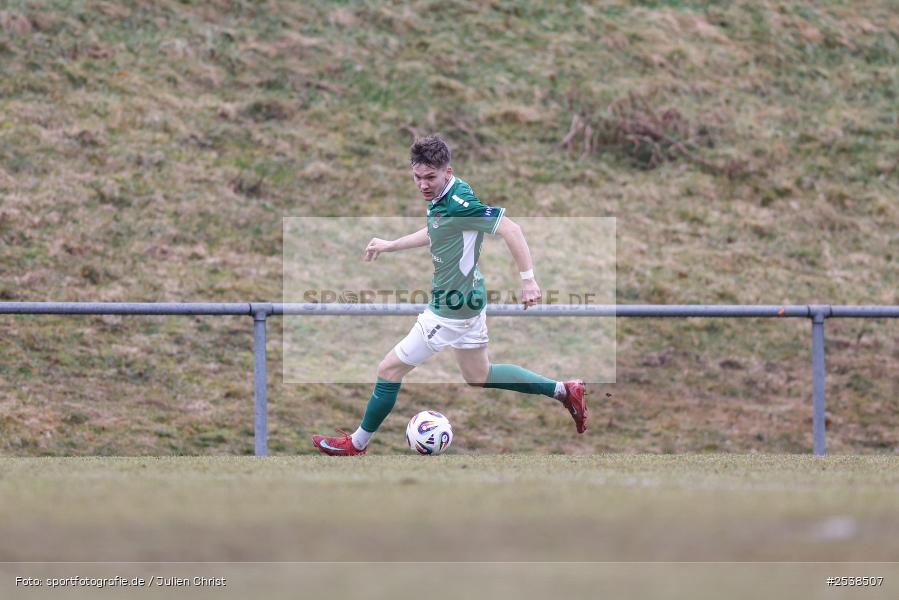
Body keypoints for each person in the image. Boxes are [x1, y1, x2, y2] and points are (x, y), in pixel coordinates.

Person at [311, 134, 586, 455]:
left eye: (431, 177)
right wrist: (391, 244)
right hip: (470, 300)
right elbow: (437, 229)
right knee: (479, 375)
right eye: (418, 177)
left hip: (450, 308)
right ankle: (564, 390)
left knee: (388, 369)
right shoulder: (445, 199)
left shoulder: (460, 203)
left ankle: (356, 444)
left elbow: (511, 229)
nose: (423, 185)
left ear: (448, 172)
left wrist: (529, 281)